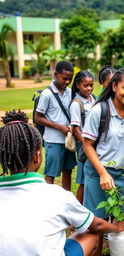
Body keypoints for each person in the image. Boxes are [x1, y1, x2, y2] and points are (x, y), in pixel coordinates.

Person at [0, 110, 124, 256]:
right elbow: (96, 225)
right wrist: (116, 228)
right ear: (37, 156)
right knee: (90, 233)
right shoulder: (57, 195)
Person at [82, 66, 124, 252]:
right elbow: (87, 145)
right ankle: (96, 252)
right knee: (96, 225)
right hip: (97, 174)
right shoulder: (99, 111)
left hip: (121, 176)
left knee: (120, 222)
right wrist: (103, 174)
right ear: (114, 86)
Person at [35, 60, 76, 191]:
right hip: (53, 141)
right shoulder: (47, 94)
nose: (67, 82)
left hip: (68, 140)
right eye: (64, 78)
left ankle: (67, 198)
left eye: (70, 79)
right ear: (55, 75)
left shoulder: (70, 92)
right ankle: (49, 202)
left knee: (68, 171)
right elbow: (38, 117)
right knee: (51, 175)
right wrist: (60, 127)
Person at [70, 70, 95, 204]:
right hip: (84, 147)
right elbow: (76, 129)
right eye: (86, 85)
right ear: (78, 85)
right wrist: (87, 145)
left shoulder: (94, 99)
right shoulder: (76, 104)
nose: (89, 88)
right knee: (83, 181)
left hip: (94, 145)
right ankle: (77, 213)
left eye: (91, 85)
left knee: (92, 178)